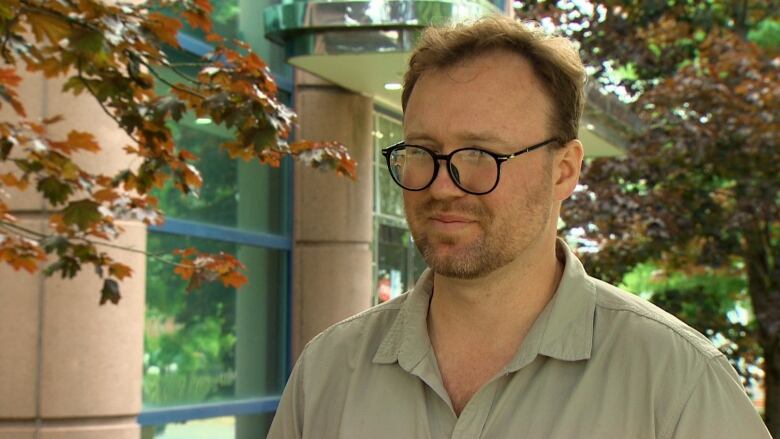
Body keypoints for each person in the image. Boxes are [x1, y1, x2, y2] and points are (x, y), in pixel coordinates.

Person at [268, 15, 771, 438]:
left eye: (482, 153)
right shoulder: (327, 374)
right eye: (422, 151)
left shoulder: (676, 384)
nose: (443, 186)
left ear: (565, 171)